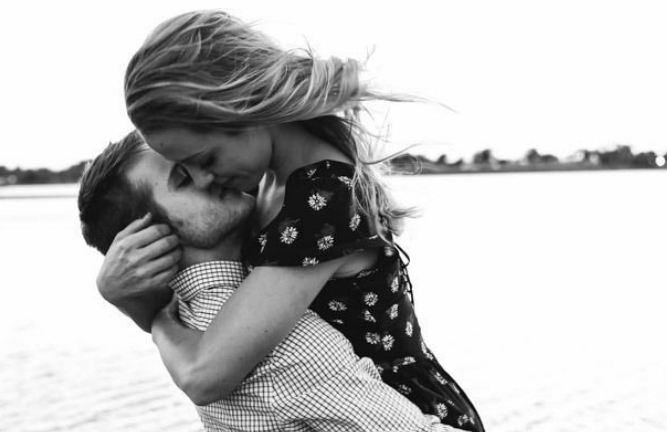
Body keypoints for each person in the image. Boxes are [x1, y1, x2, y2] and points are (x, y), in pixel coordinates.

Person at [100, 10, 483, 430]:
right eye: (185, 172)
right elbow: (223, 337)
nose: (204, 180)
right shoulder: (268, 184)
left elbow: (204, 374)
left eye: (205, 160)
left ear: (243, 108)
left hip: (404, 413)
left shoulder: (323, 201)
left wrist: (151, 315)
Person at [79, 130, 463, 431]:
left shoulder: (193, 316)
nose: (206, 174)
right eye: (183, 178)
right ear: (148, 239)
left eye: (196, 159)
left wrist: (141, 308)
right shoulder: (281, 345)